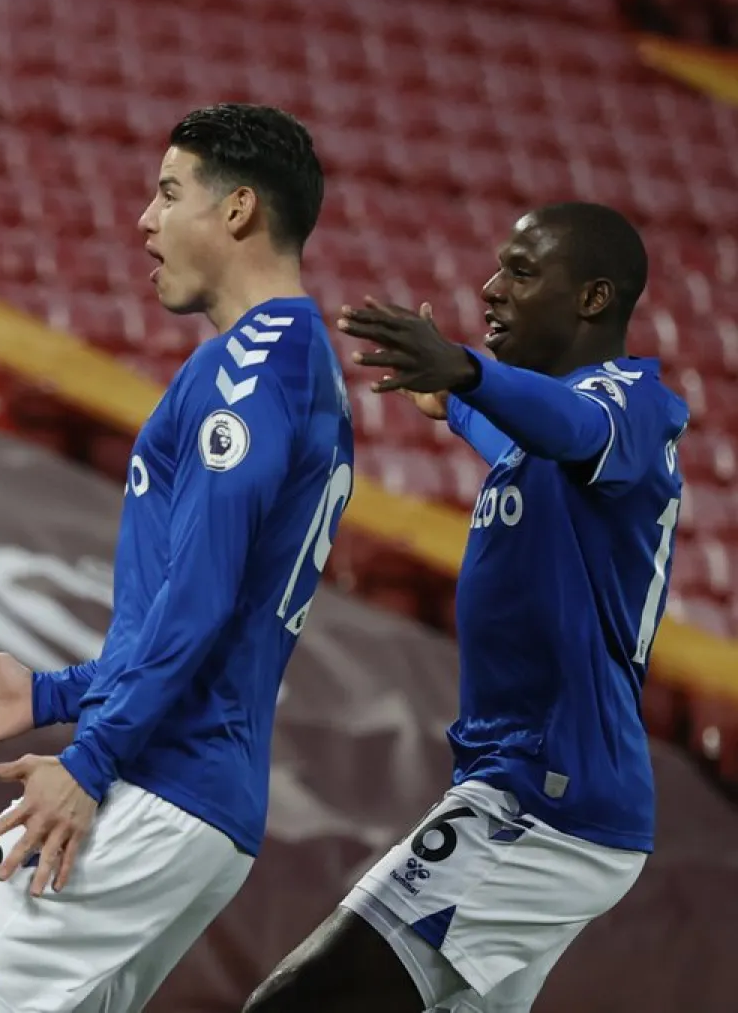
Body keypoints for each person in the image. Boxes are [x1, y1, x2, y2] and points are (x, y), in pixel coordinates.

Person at [0, 103, 354, 1013]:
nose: (145, 219)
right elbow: (201, 616)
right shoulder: (299, 366)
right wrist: (49, 696)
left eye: (169, 193)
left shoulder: (247, 372)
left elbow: (198, 607)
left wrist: (88, 761)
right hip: (199, 789)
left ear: (239, 209)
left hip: (160, 777)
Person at [241, 202, 688, 1013]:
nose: (489, 288)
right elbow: (525, 435)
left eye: (520, 271)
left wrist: (469, 371)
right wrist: (452, 399)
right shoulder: (538, 443)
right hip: (547, 797)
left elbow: (575, 426)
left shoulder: (631, 402)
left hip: (543, 801)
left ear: (592, 298)